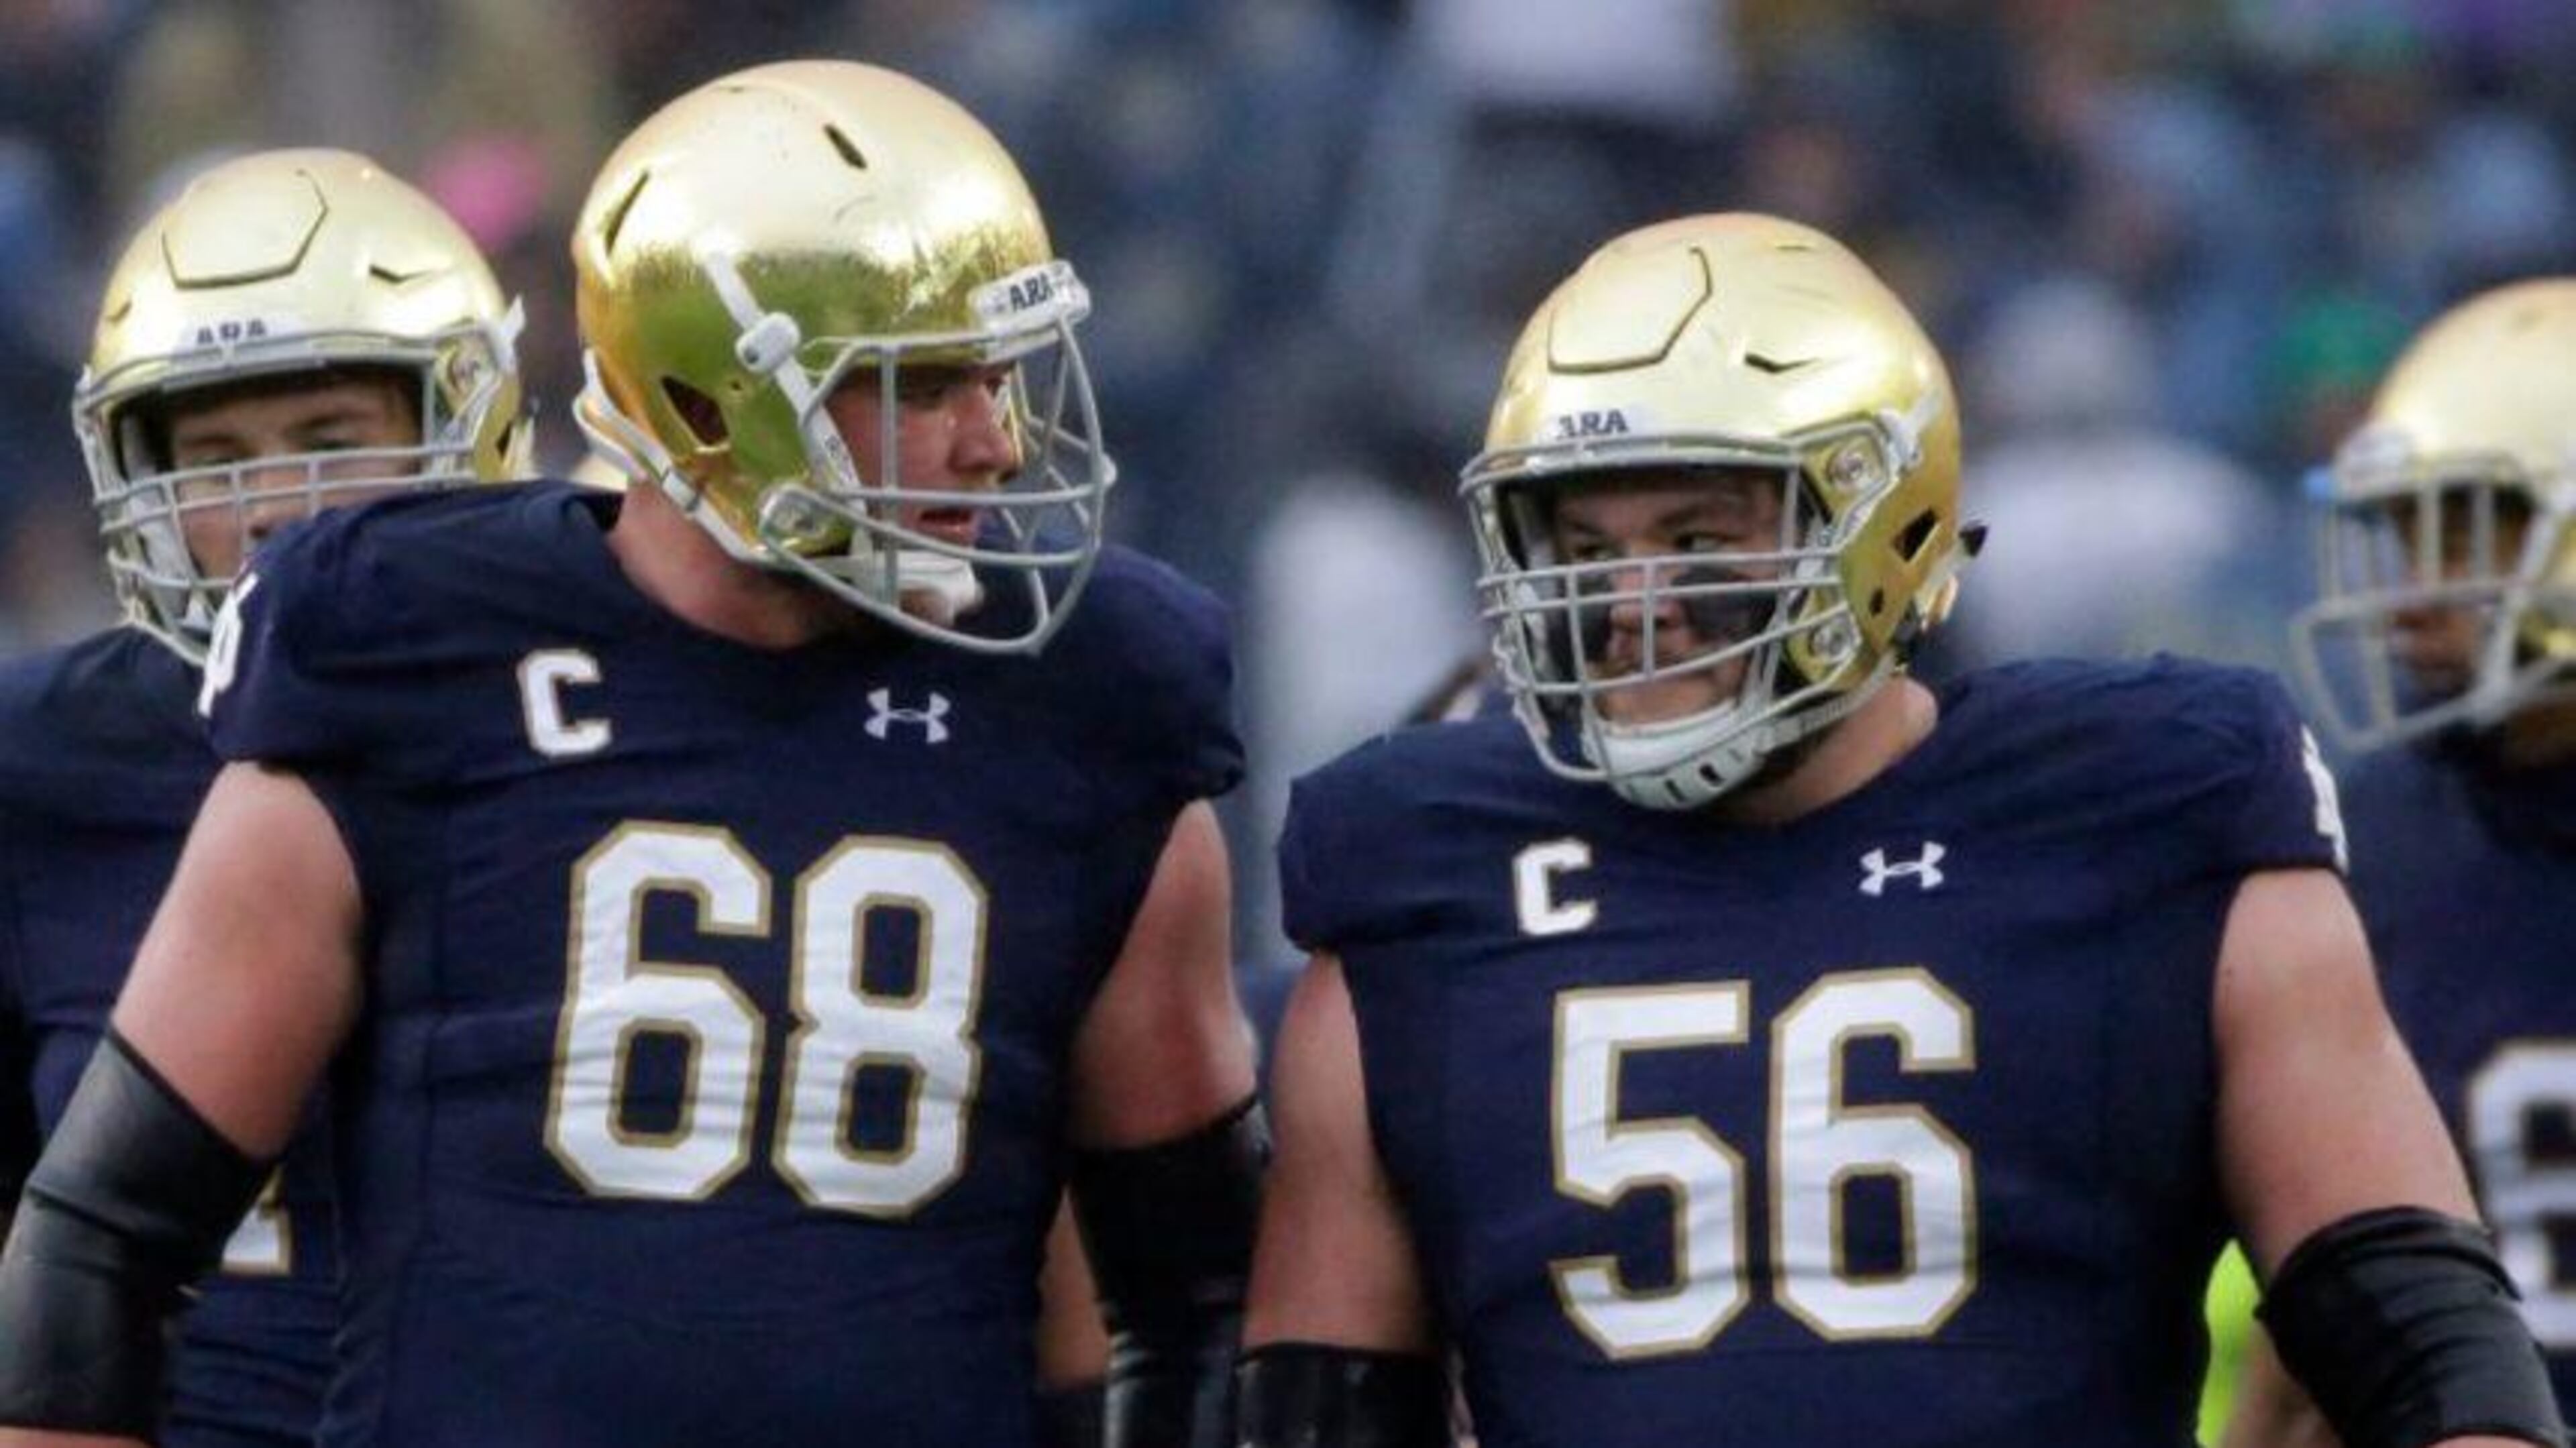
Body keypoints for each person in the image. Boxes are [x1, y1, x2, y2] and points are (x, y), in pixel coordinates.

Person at [0, 60, 1260, 1448]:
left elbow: (1189, 1304)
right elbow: (104, 1238)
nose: (996, 444)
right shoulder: (407, 651)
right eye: (924, 383)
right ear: (714, 407)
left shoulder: (1091, 697)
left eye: (998, 375)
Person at [1235, 212, 2563, 1447]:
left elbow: (2428, 1346)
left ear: (1883, 522)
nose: (1633, 603)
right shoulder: (1424, 872)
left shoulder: (2142, 810)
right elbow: (1320, 1410)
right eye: (1585, 544)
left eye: (1700, 535)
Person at [0, 147, 531, 1448]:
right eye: (215, 455)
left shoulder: (616, 710)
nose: (266, 510)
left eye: (326, 443)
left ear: (466, 421)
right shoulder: (40, 767)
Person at [2226, 278, 2576, 1444]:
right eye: (2406, 528)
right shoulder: (2362, 848)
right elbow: (2314, 1297)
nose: (2417, 586)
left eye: (2471, 523)